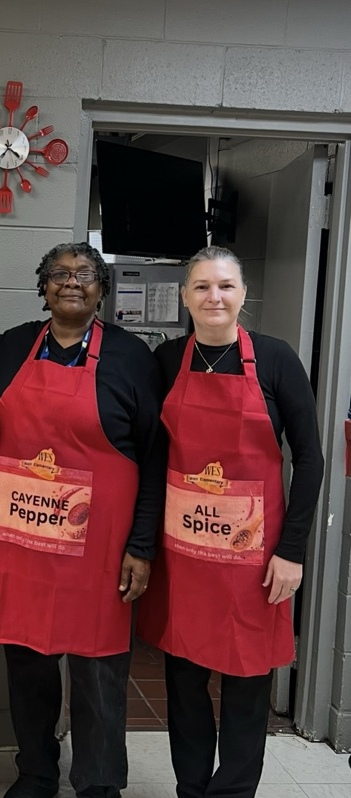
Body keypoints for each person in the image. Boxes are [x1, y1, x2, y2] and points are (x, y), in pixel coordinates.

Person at [0, 242, 165, 798]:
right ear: (42, 286)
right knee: (28, 669)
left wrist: (141, 545)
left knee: (98, 674)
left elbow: (154, 457)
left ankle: (98, 785)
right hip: (22, 539)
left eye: (86, 274)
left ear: (102, 288)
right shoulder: (11, 348)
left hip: (99, 546)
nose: (72, 282)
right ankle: (35, 773)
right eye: (59, 274)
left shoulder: (131, 358)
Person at [137, 246, 324, 798]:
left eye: (224, 286)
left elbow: (310, 458)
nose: (213, 297)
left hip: (256, 560)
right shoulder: (166, 361)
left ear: (243, 295)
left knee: (247, 684)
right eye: (201, 286)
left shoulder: (276, 358)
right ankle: (191, 788)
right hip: (185, 556)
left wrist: (293, 550)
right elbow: (151, 457)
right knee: (185, 681)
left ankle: (234, 792)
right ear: (184, 296)